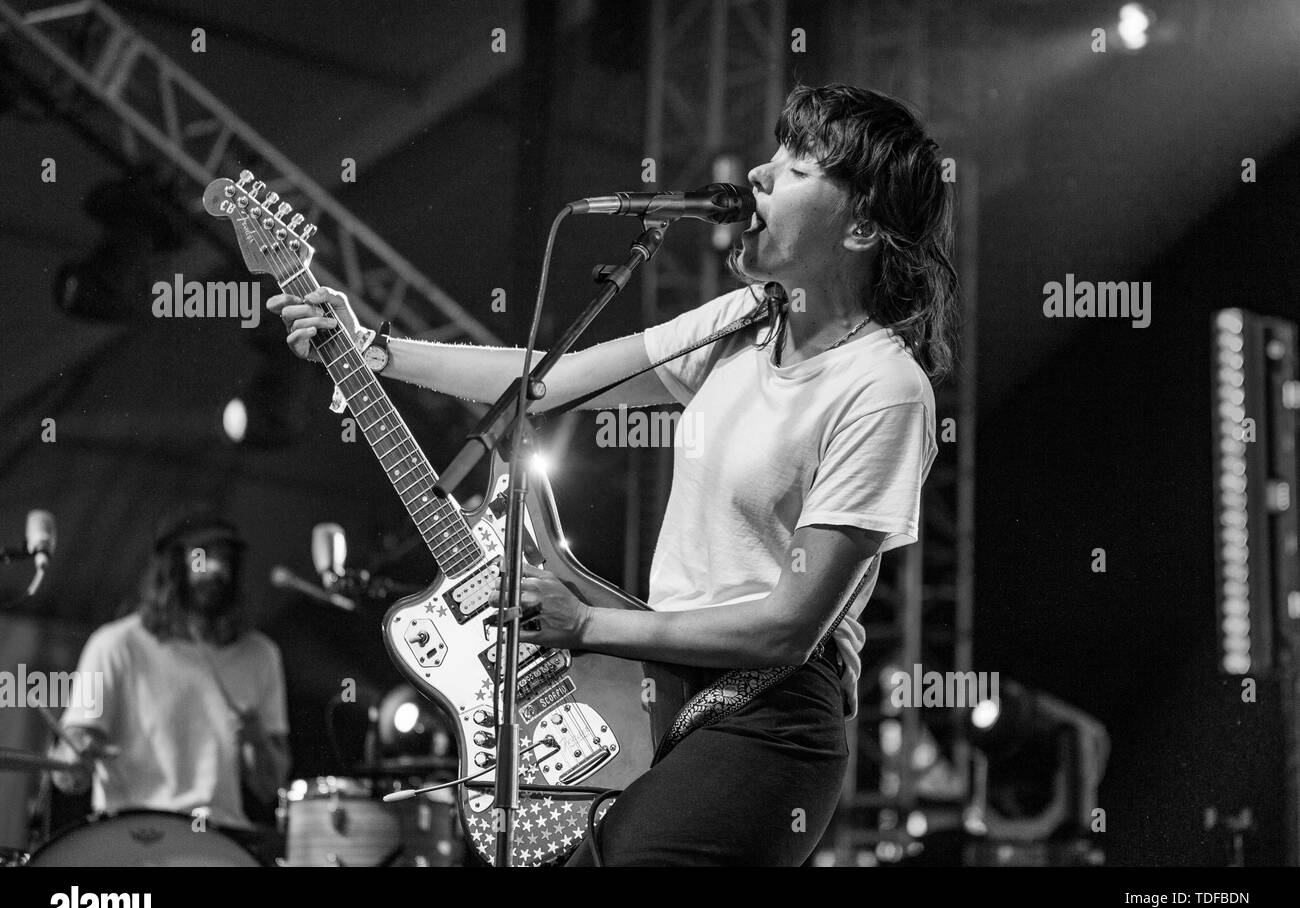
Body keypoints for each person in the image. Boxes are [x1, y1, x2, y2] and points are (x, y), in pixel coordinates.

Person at [271, 83, 957, 865]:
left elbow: (788, 627)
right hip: (667, 692)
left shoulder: (883, 389)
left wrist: (590, 625)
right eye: (772, 154)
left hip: (774, 717)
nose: (760, 175)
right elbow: (550, 379)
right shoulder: (742, 320)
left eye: (797, 166)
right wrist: (376, 350)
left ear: (863, 224)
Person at [50, 507, 290, 841]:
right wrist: (76, 755)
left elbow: (271, 788)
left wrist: (257, 741)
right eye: (203, 557)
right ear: (172, 567)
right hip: (134, 835)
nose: (218, 569)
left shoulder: (260, 655)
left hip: (221, 837)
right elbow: (67, 777)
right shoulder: (114, 645)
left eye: (227, 559)